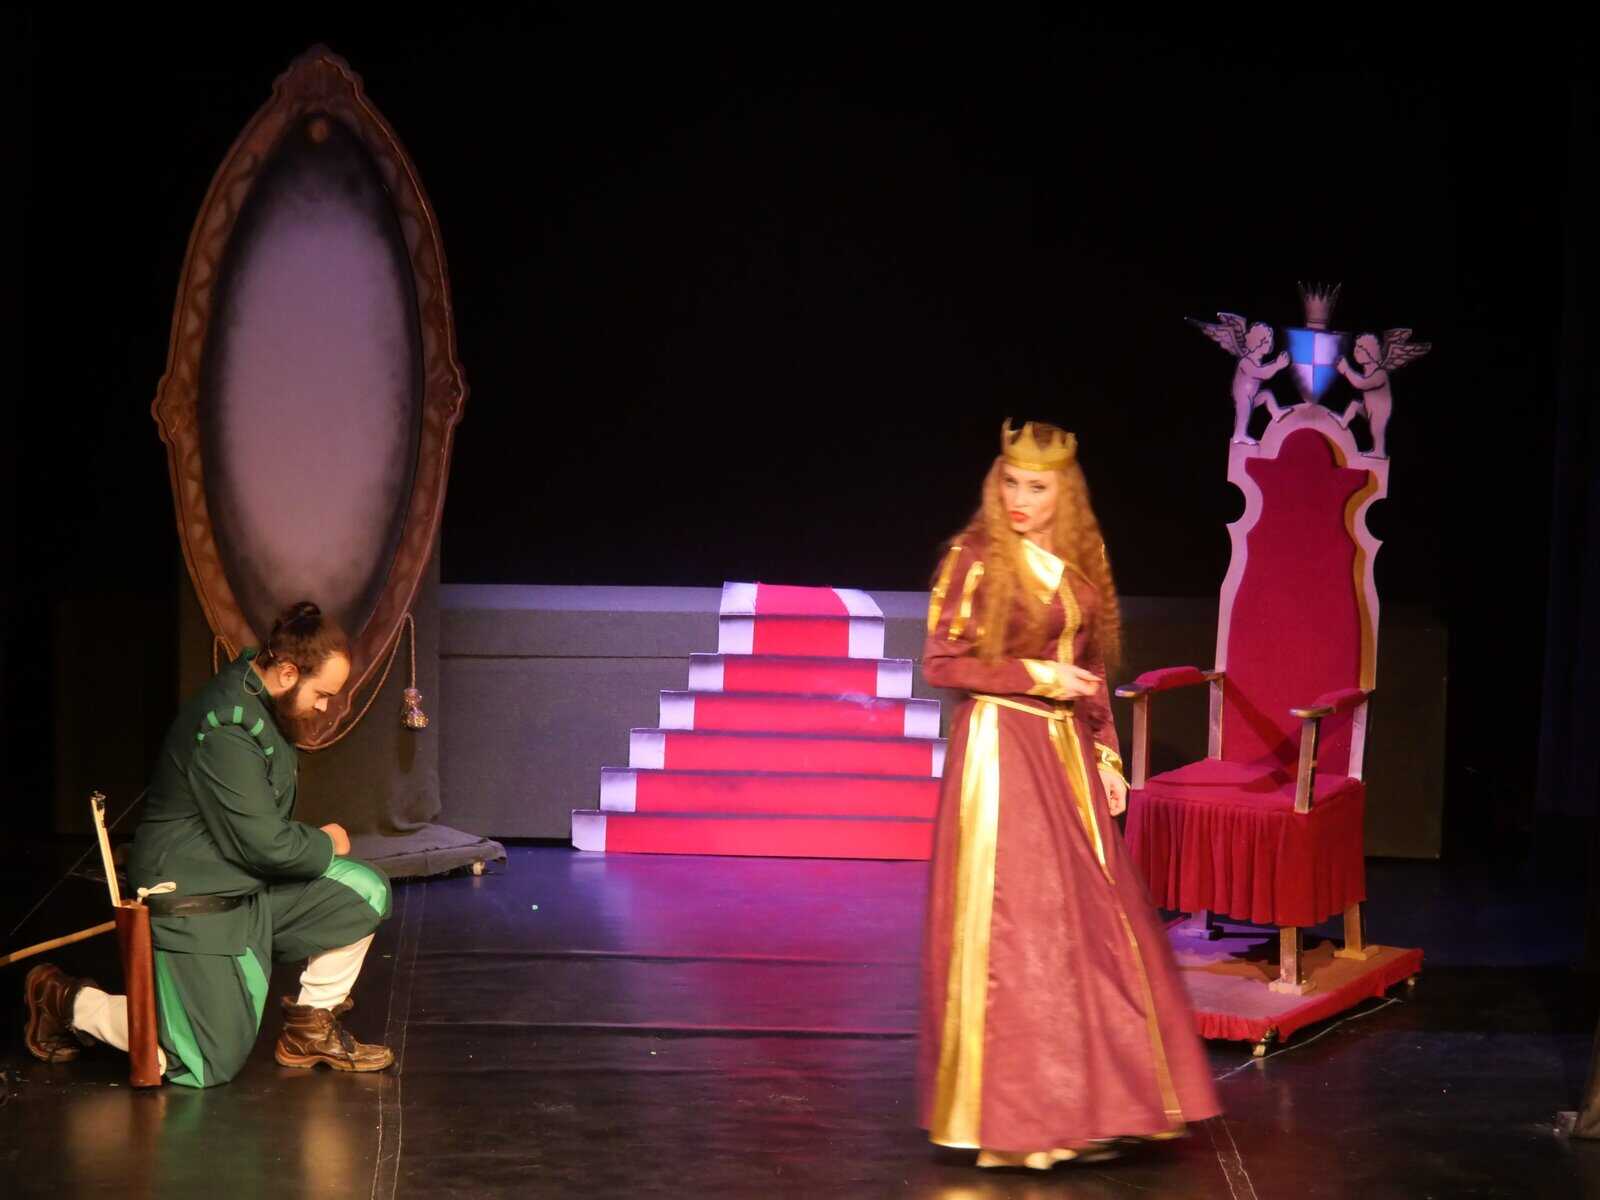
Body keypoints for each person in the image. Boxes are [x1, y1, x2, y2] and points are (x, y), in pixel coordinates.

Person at [917, 420, 1219, 1168]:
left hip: (1067, 758)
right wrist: (1034, 676)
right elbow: (942, 663)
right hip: (1004, 749)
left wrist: (1107, 753)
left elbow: (1091, 673)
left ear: (1065, 495)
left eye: (1037, 488)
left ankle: (1103, 1106)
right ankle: (1022, 1122)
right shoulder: (975, 557)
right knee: (1021, 928)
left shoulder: (1081, 564)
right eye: (1010, 483)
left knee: (1095, 925)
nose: (1019, 499)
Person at [23, 601, 395, 1087]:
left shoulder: (262, 697)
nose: (324, 706)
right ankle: (65, 1001)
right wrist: (325, 842)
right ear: (287, 672)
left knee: (363, 891)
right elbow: (264, 845)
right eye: (322, 694)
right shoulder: (228, 724)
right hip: (196, 895)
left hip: (246, 886)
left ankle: (309, 1030)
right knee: (201, 1063)